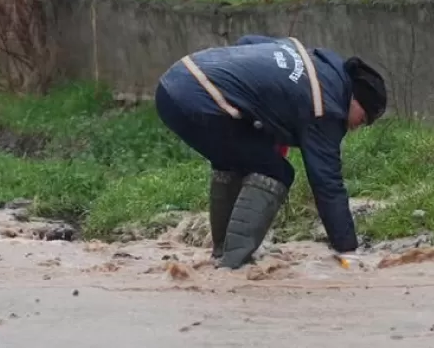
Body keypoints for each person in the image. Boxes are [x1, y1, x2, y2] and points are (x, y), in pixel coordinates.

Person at [154, 35, 386, 269]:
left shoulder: (307, 57)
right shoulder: (325, 107)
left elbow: (247, 43)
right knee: (275, 172)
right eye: (363, 119)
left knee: (238, 159)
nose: (358, 126)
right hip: (197, 100)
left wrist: (263, 121)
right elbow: (327, 184)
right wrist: (348, 250)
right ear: (354, 99)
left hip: (177, 80)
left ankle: (223, 252)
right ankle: (233, 264)